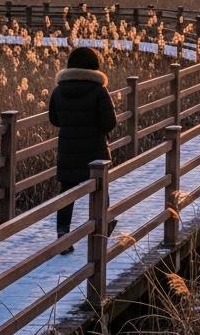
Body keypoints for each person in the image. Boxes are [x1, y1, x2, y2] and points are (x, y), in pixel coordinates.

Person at [48, 46, 117, 254]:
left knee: (66, 191)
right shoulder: (99, 90)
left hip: (68, 149)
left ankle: (63, 235)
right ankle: (101, 229)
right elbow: (109, 123)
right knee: (99, 188)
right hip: (94, 150)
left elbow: (54, 119)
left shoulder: (59, 90)